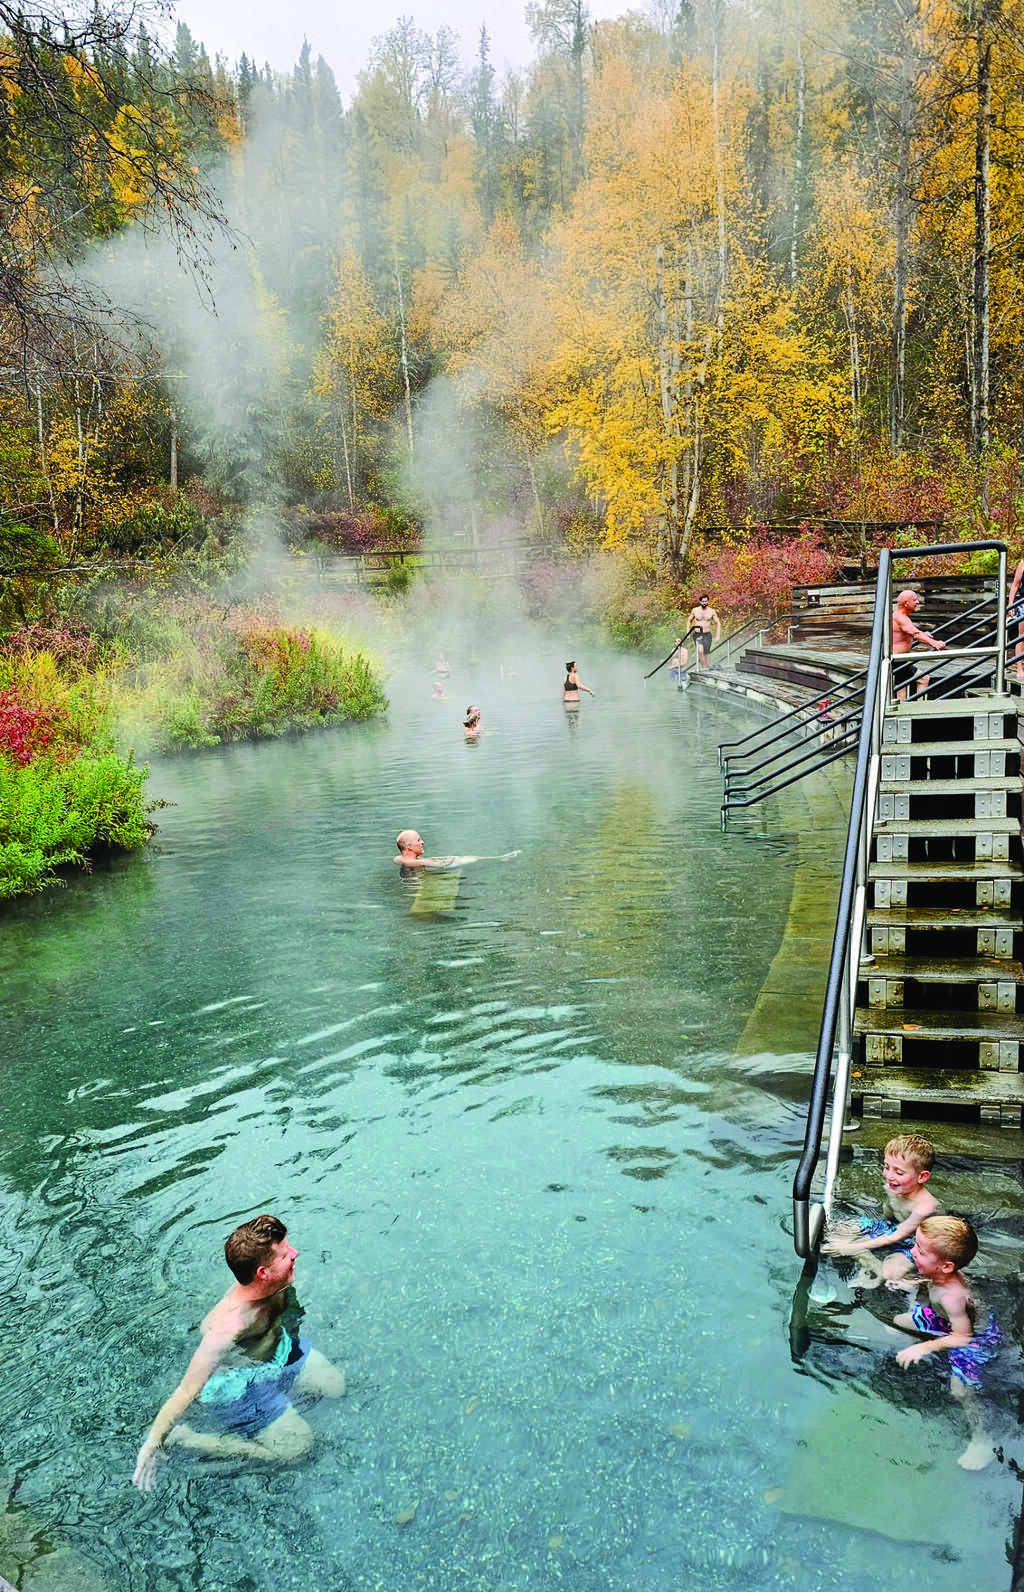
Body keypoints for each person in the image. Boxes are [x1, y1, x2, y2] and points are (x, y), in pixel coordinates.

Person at [132, 1214, 345, 1491]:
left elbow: (291, 1313)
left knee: (336, 1388)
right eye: (285, 1255)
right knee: (298, 1450)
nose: (295, 1254)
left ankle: (282, 1400)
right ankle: (188, 1439)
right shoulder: (226, 1329)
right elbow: (187, 1390)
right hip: (237, 1386)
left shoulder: (278, 1280)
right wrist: (153, 1442)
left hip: (279, 1352)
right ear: (263, 1273)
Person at [893, 1215, 1001, 1470]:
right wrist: (911, 1283)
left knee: (960, 1389)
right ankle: (926, 1341)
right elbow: (931, 1282)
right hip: (946, 1322)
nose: (912, 1251)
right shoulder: (939, 1275)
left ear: (946, 1266)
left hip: (974, 1339)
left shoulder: (953, 1296)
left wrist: (924, 1346)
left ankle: (982, 1439)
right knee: (899, 1321)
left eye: (919, 1250)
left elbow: (963, 1336)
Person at [822, 1133, 938, 1289]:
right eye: (886, 1167)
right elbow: (887, 1216)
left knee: (891, 1273)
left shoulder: (925, 1207)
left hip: (914, 1244)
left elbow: (896, 1236)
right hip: (890, 1226)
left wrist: (851, 1247)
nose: (889, 1176)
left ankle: (874, 1266)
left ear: (922, 1177)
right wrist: (864, 1233)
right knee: (836, 1230)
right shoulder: (894, 1188)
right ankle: (868, 1260)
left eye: (899, 1172)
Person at [892, 589, 946, 701]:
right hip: (898, 660)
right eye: (914, 600)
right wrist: (934, 643)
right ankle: (919, 707)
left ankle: (902, 712)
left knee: (901, 688)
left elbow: (911, 631)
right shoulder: (901, 618)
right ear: (906, 603)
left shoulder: (899, 616)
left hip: (899, 658)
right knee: (923, 679)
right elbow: (915, 634)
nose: (917, 602)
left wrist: (924, 634)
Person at [393, 830, 520, 871]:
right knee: (470, 859)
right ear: (409, 846)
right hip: (423, 878)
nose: (422, 842)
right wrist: (451, 858)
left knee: (465, 857)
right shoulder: (414, 862)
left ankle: (499, 858)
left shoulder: (399, 859)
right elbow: (441, 864)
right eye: (419, 840)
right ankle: (500, 859)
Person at [688, 595, 721, 669]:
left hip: (707, 634)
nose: (704, 603)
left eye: (706, 601)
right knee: (700, 650)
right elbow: (689, 621)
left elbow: (718, 623)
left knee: (706, 654)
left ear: (708, 601)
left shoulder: (711, 611)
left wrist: (718, 636)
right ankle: (703, 667)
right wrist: (688, 633)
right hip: (697, 634)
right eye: (702, 601)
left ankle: (706, 667)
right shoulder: (695, 610)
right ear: (700, 602)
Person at [1008, 559, 1024, 681]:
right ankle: (1019, 667)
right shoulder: (1023, 563)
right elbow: (1015, 584)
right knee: (1022, 635)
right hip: (1023, 602)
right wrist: (1010, 604)